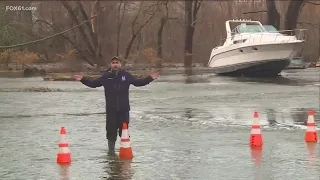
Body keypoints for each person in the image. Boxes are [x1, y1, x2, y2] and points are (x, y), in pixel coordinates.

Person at [73, 56, 159, 153]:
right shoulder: (106, 76)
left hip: (124, 110)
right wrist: (83, 79)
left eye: (117, 63)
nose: (115, 64)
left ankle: (125, 150)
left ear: (120, 64)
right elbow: (94, 84)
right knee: (111, 132)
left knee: (124, 132)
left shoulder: (126, 75)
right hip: (111, 110)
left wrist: (150, 78)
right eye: (113, 63)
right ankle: (111, 153)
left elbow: (138, 82)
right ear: (111, 64)